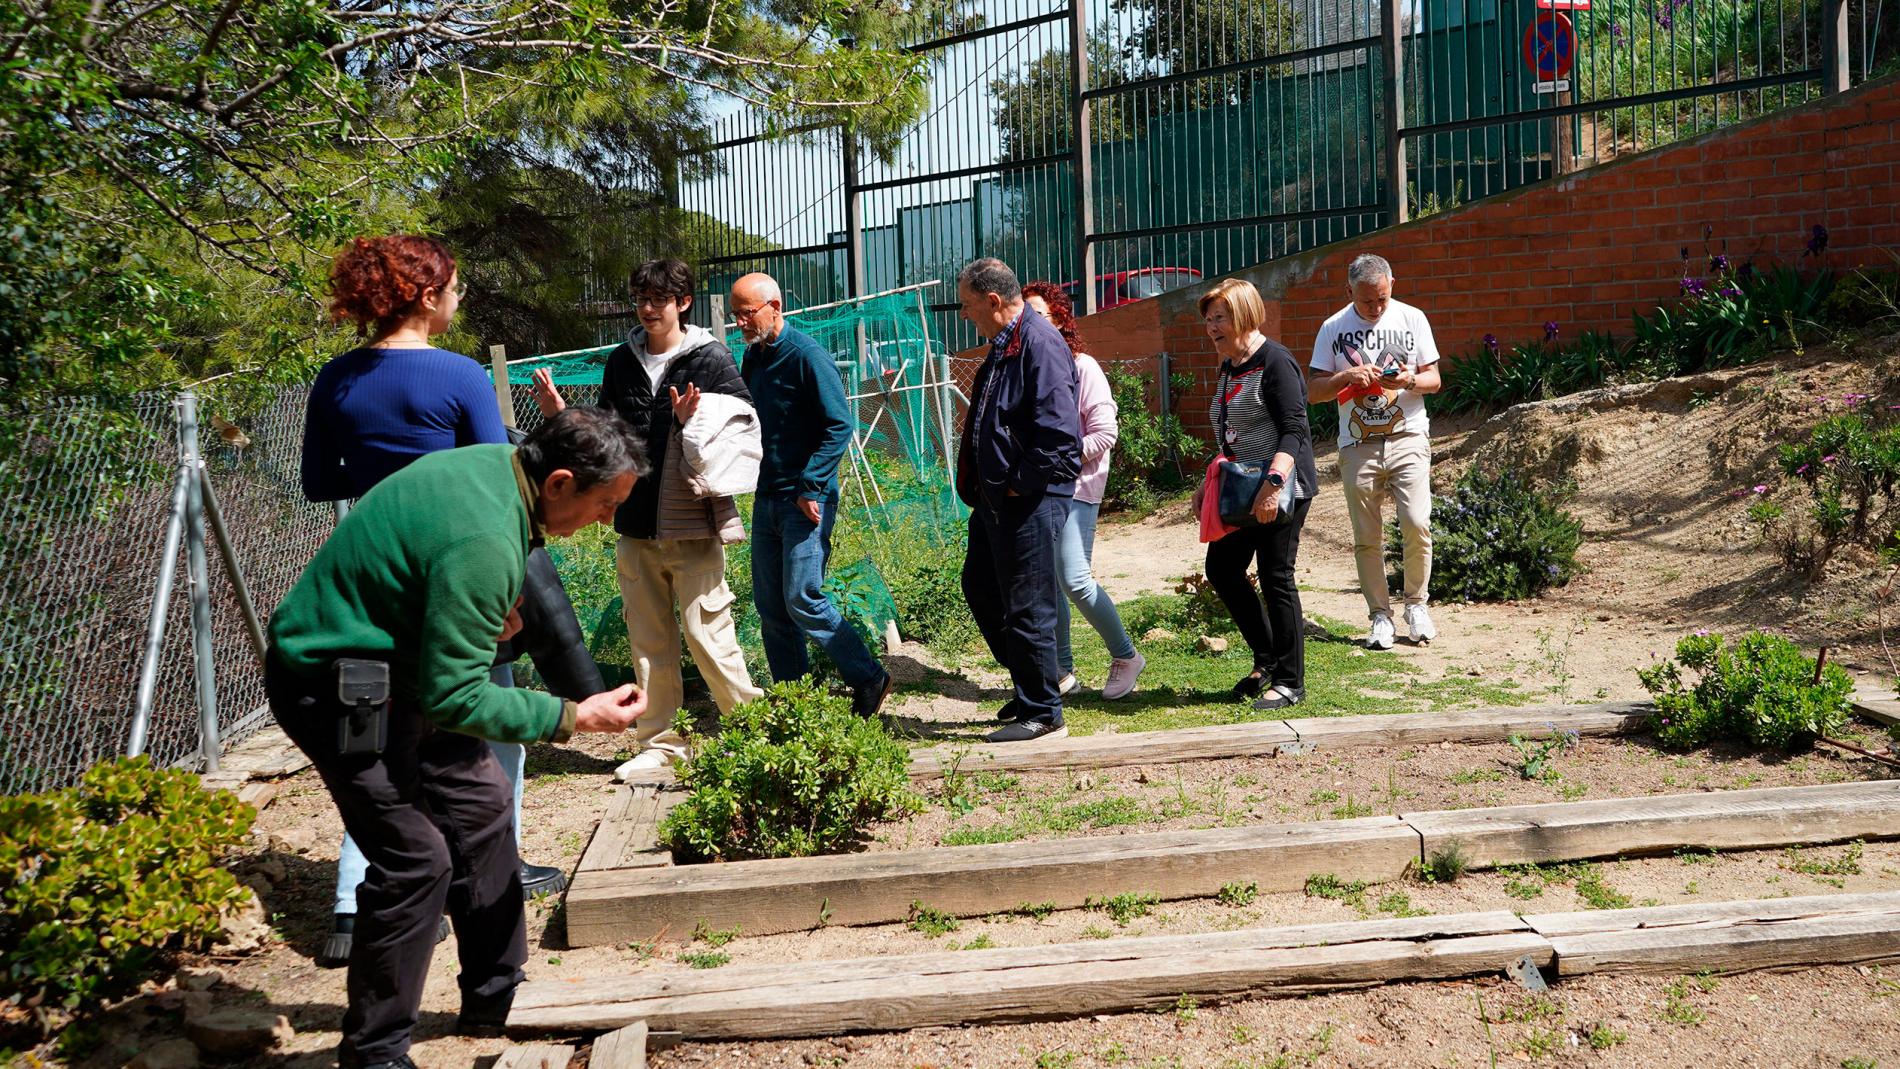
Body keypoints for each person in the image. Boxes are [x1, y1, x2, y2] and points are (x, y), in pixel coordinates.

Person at [267, 407, 651, 1069]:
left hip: (401, 666)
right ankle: (376, 1052)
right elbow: (457, 696)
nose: (608, 519)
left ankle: (494, 993)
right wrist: (573, 717)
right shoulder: (485, 535)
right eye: (604, 502)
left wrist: (463, 613)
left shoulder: (497, 472)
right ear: (559, 482)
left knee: (480, 805)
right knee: (415, 858)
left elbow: (433, 595)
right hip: (332, 684)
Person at [301, 234, 591, 966]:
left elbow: (316, 481)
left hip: (380, 570)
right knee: (490, 711)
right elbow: (500, 480)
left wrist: (386, 477)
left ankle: (349, 901)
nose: (460, 299)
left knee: (378, 736)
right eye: (455, 288)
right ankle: (501, 864)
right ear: (427, 297)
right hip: (460, 563)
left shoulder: (334, 380)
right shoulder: (459, 377)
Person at [532, 259, 762, 775]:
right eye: (641, 299)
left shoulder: (710, 358)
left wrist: (693, 421)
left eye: (659, 298)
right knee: (649, 642)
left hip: (693, 522)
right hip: (634, 525)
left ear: (683, 302)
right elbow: (606, 439)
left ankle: (755, 736)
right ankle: (661, 744)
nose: (648, 308)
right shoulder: (621, 361)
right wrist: (560, 415)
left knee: (708, 634)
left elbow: (744, 430)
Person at [729, 272, 894, 716]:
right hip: (768, 497)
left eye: (748, 312)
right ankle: (796, 702)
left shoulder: (806, 356)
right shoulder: (754, 359)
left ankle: (869, 675)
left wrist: (811, 484)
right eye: (736, 315)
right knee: (771, 607)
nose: (741, 322)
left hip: (806, 499)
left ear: (775, 307)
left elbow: (840, 423)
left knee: (802, 597)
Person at [955, 258, 1082, 743]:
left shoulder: (1038, 342)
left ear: (992, 300)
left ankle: (1043, 713)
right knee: (982, 587)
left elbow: (1058, 432)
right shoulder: (1005, 342)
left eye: (968, 305)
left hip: (1027, 498)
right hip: (994, 500)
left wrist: (1018, 485)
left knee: (1029, 603)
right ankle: (1033, 685)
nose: (965, 315)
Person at [1306, 253, 1442, 650]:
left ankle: (1416, 604)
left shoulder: (1412, 318)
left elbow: (1435, 378)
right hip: (1357, 443)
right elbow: (1314, 392)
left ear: (1392, 285)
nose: (1376, 307)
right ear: (1349, 292)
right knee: (1367, 535)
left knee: (1417, 522)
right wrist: (1347, 375)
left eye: (1382, 298)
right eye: (1367, 301)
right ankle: (1379, 616)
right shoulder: (1332, 328)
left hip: (1408, 437)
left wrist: (1410, 379)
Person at [1195, 278, 1318, 710]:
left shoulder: (1276, 362)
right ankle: (1266, 660)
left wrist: (1273, 484)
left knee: (1275, 577)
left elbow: (1295, 430)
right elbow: (1233, 432)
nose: (1212, 327)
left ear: (1245, 315)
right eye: (1208, 320)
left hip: (1281, 488)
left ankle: (1290, 682)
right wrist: (1207, 481)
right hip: (1242, 486)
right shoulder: (1230, 364)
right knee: (1223, 569)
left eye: (1220, 318)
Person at [1020, 281, 1144, 701]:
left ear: (1060, 319)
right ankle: (1062, 672)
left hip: (1077, 489)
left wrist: (1062, 462)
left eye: (1040, 314)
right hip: (1043, 489)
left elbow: (1105, 432)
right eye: (1026, 315)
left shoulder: (1082, 366)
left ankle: (1126, 656)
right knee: (1051, 581)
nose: (1031, 322)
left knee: (1074, 578)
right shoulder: (1029, 367)